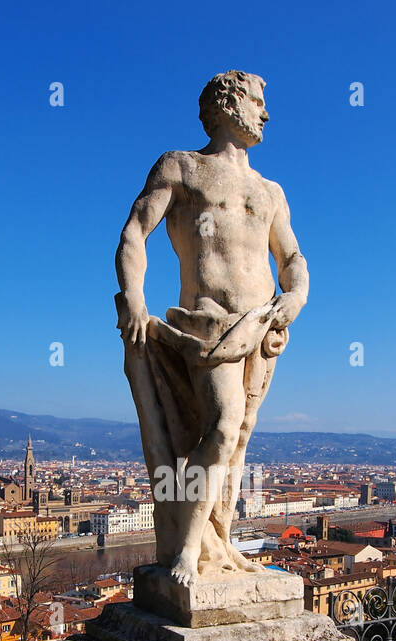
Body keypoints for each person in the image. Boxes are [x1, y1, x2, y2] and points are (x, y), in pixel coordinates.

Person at [115, 71, 308, 585]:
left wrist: (296, 297)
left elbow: (292, 259)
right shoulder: (182, 167)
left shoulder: (270, 191)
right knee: (221, 428)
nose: (265, 113)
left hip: (262, 328)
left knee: (239, 439)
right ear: (226, 104)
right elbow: (136, 231)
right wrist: (134, 297)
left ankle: (217, 542)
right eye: (257, 102)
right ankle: (186, 549)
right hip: (206, 326)